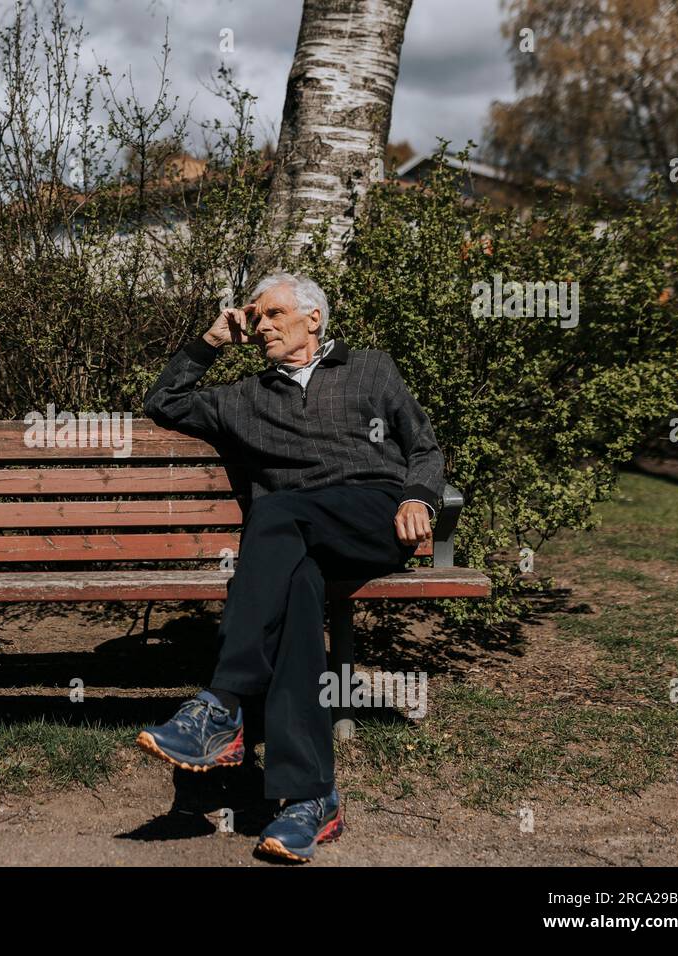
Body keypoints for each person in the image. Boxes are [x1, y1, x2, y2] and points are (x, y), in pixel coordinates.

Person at [138, 271, 445, 863]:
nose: (263, 325)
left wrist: (418, 497)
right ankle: (309, 800)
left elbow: (424, 446)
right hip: (293, 542)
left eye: (274, 314)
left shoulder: (370, 369)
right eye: (256, 317)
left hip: (368, 517)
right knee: (297, 599)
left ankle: (222, 703)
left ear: (313, 319)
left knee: (276, 512)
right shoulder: (245, 397)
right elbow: (164, 403)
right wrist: (209, 341)